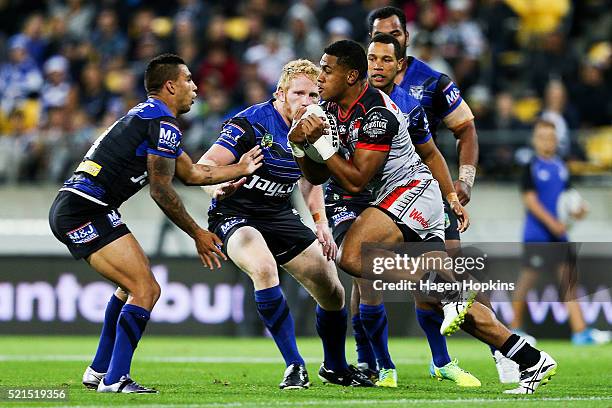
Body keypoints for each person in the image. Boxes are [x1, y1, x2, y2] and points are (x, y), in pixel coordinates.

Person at [292, 40, 558, 395]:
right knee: (441, 302)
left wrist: (320, 145)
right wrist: (301, 146)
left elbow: (355, 179)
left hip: (413, 190)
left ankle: (448, 289)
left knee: (353, 256)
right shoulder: (328, 109)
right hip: (397, 198)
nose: (319, 76)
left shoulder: (377, 114)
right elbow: (318, 176)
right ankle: (529, 358)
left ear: (351, 75)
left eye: (327, 69)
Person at [48, 54, 263, 393]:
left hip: (83, 205)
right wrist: (198, 233)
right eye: (189, 80)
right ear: (170, 85)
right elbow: (161, 190)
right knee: (146, 289)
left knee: (130, 286)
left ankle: (99, 370)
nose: (195, 87)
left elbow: (191, 173)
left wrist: (240, 168)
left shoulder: (149, 117)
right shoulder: (163, 123)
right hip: (84, 209)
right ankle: (116, 379)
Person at [307, 33, 481, 388]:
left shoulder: (402, 106)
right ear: (362, 65)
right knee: (365, 275)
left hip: (400, 192)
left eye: (386, 59)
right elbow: (328, 173)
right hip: (351, 197)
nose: (378, 65)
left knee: (441, 268)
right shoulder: (331, 103)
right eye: (372, 58)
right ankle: (380, 366)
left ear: (401, 64)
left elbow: (431, 153)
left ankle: (443, 360)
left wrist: (451, 195)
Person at [366, 6, 522, 385]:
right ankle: (377, 361)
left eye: (396, 33)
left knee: (448, 273)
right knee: (370, 275)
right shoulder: (359, 82)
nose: (389, 39)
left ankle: (503, 350)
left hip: (426, 191)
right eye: (379, 35)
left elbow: (465, 129)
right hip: (376, 194)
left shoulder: (432, 82)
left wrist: (463, 181)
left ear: (406, 38)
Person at [197, 59, 374, 389]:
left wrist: (320, 222)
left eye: (314, 95)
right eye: (299, 94)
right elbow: (206, 164)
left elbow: (312, 180)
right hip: (236, 213)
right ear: (280, 93)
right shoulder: (250, 122)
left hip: (278, 214)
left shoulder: (316, 127)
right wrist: (218, 185)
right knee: (264, 268)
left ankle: (334, 366)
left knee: (332, 289)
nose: (307, 102)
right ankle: (294, 365)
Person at [512, 119, 610, 345]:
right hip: (537, 235)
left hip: (560, 236)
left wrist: (579, 210)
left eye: (551, 137)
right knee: (527, 283)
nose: (547, 141)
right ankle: (514, 329)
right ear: (535, 140)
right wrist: (552, 223)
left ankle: (580, 332)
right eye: (543, 137)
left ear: (557, 140)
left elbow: (568, 199)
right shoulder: (531, 166)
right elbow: (530, 200)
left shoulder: (561, 167)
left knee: (569, 284)